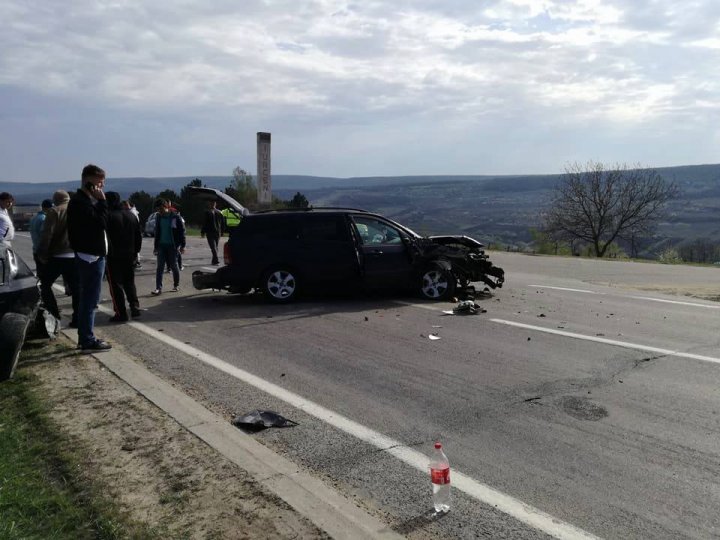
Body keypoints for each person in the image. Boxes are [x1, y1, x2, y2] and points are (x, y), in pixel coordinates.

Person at [67, 164, 111, 352]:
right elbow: (100, 223)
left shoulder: (84, 201)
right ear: (88, 182)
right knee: (90, 300)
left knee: (90, 298)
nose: (101, 187)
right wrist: (102, 202)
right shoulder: (80, 202)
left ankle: (86, 337)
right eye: (99, 183)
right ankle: (87, 339)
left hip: (92, 254)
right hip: (90, 256)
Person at [37, 190, 79, 328]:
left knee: (45, 285)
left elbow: (47, 234)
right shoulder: (77, 210)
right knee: (76, 289)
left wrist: (42, 253)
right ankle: (77, 318)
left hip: (58, 255)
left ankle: (54, 315)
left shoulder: (54, 211)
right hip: (75, 255)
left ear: (55, 200)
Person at [105, 192, 142, 322]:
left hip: (113, 255)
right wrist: (135, 252)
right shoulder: (131, 216)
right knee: (129, 282)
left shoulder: (108, 216)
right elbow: (138, 236)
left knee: (115, 285)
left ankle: (121, 312)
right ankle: (134, 306)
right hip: (130, 253)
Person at [152, 198, 185, 295]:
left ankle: (176, 285)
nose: (159, 211)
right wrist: (155, 246)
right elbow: (157, 232)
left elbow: (182, 232)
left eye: (161, 209)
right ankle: (158, 288)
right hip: (161, 246)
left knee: (174, 266)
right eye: (158, 210)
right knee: (160, 267)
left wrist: (183, 245)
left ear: (166, 207)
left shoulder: (175, 217)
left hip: (173, 246)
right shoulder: (158, 217)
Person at [29, 199, 53, 267]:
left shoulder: (34, 218)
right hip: (43, 251)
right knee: (47, 274)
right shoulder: (45, 218)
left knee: (40, 273)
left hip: (35, 249)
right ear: (49, 208)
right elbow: (45, 235)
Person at [201, 200, 223, 265]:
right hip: (210, 232)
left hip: (217, 232)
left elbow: (222, 223)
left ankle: (214, 261)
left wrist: (222, 231)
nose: (213, 204)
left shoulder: (219, 212)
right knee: (213, 247)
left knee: (215, 247)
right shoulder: (207, 212)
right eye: (212, 203)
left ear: (216, 204)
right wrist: (203, 232)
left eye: (214, 203)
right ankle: (216, 260)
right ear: (210, 204)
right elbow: (205, 223)